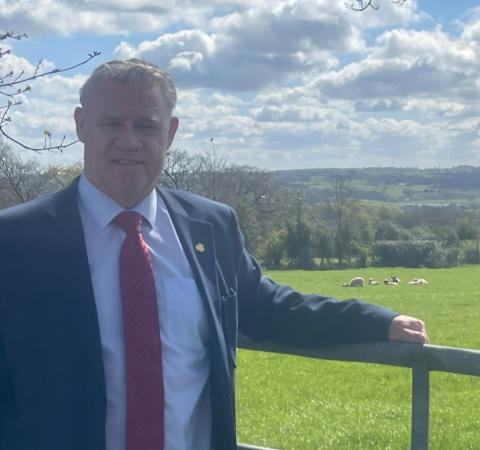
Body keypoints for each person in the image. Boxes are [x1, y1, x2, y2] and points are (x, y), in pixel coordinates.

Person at [0, 58, 428, 450]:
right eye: (111, 123)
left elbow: (267, 306)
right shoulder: (17, 241)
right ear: (81, 125)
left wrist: (376, 321)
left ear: (170, 133)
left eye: (146, 126)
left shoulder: (210, 227)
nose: (128, 141)